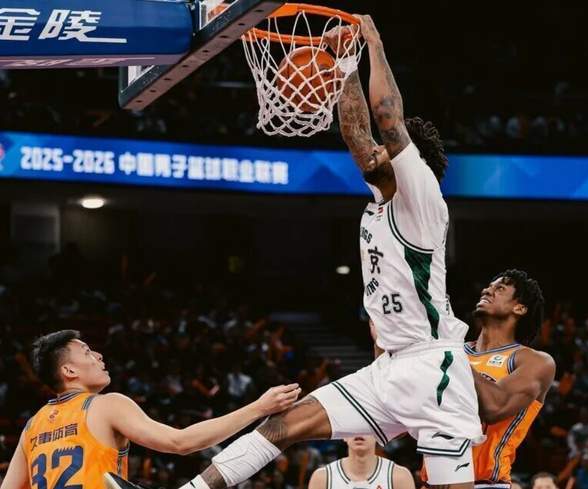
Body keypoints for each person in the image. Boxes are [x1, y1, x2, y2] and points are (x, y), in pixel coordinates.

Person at [106, 14, 483, 489]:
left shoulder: (422, 194)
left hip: (434, 370)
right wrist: (345, 65)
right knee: (283, 425)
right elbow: (358, 136)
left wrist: (372, 44)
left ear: (411, 161)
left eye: (384, 150)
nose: (372, 153)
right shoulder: (380, 198)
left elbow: (388, 119)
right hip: (388, 369)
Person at [0, 330, 300, 489]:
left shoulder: (32, 425)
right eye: (88, 352)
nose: (99, 355)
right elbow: (180, 442)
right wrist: (258, 408)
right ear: (69, 371)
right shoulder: (107, 405)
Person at [419, 270, 555, 489]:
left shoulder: (534, 361)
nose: (487, 290)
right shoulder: (452, 350)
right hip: (432, 482)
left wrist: (452, 354)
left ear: (519, 308)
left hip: (484, 483)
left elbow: (495, 408)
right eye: (489, 287)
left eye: (500, 288)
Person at [307, 436, 414, 489]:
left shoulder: (399, 477)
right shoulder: (322, 478)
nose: (359, 432)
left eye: (365, 426)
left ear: (378, 434)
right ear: (343, 435)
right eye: (354, 427)